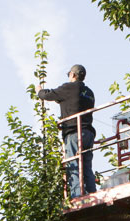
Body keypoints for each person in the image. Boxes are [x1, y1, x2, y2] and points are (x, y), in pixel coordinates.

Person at [37, 64, 96, 198]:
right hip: (88, 133)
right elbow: (73, 101)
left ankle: (77, 197)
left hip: (74, 133)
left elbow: (48, 95)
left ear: (73, 75)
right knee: (87, 166)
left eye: (69, 74)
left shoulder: (69, 87)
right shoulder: (90, 93)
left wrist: (39, 91)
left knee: (74, 166)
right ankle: (92, 195)